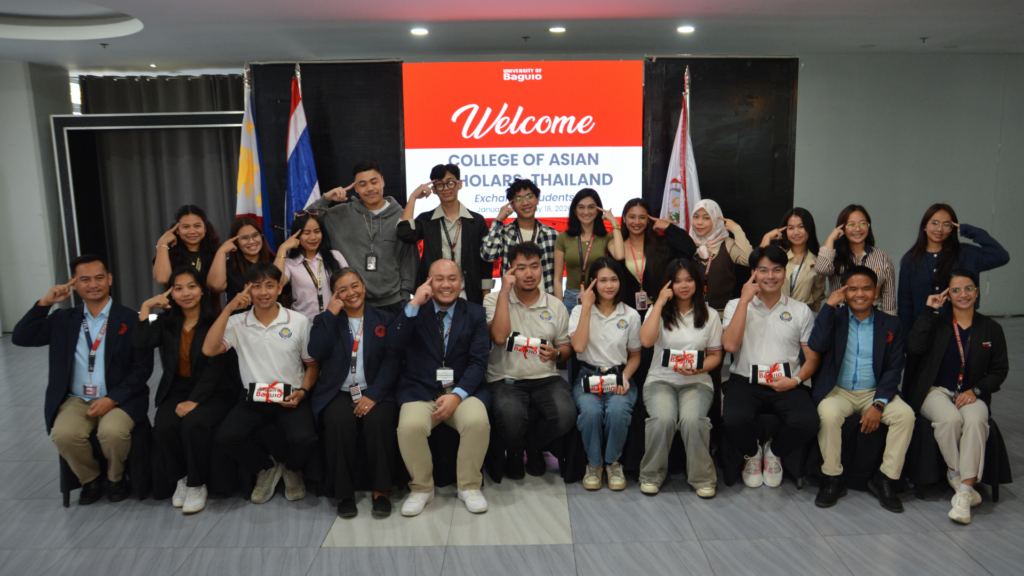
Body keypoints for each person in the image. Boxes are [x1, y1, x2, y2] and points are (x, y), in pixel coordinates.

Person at [12, 255, 153, 505]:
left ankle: (116, 478)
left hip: (118, 398)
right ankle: (90, 480)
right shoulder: (62, 320)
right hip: (76, 399)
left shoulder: (131, 319)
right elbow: (22, 337)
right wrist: (44, 303)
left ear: (109, 279)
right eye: (84, 279)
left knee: (112, 432)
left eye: (99, 278)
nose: (93, 284)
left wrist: (112, 399)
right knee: (64, 434)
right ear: (73, 284)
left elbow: (142, 369)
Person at [204, 263, 319, 504]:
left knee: (305, 439)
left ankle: (291, 468)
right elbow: (209, 349)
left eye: (269, 285)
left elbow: (312, 365)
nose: (263, 292)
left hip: (290, 396)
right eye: (256, 286)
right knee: (226, 437)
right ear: (247, 289)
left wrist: (302, 391)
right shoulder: (237, 322)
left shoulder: (297, 321)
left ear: (279, 288)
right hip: (253, 398)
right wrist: (228, 310)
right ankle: (265, 468)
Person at [388, 259, 492, 516]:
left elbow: (479, 362)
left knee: (477, 421)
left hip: (462, 390)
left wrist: (457, 396)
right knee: (410, 427)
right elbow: (394, 345)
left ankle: (469, 486)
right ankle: (422, 488)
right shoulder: (412, 310)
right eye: (439, 278)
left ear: (461, 282)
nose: (446, 285)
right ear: (428, 281)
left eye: (452, 278)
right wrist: (413, 305)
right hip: (420, 390)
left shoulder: (476, 313)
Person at [807, 266, 914, 512]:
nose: (860, 294)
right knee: (829, 415)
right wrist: (829, 307)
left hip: (873, 392)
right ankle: (832, 478)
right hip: (838, 390)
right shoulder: (834, 317)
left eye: (866, 288)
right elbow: (816, 344)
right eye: (852, 288)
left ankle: (885, 478)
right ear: (844, 291)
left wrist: (879, 403)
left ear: (876, 292)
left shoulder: (891, 324)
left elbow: (894, 368)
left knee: (905, 416)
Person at [134, 267, 238, 514]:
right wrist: (146, 307)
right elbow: (141, 342)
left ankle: (197, 484)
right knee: (165, 424)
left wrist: (194, 401)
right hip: (177, 388)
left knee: (193, 423)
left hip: (214, 391)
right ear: (171, 294)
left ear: (202, 290)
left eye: (191, 287)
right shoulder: (162, 321)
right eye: (178, 288)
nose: (185, 293)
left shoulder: (215, 321)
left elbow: (215, 369)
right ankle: (180, 478)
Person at [908, 270, 1008, 525]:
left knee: (976, 423)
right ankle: (958, 475)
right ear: (947, 295)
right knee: (951, 420)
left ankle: (964, 493)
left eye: (969, 289)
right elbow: (914, 348)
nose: (963, 294)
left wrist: (976, 391)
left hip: (972, 393)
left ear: (977, 291)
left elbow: (999, 370)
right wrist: (928, 312)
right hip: (936, 391)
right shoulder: (938, 323)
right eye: (956, 290)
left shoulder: (991, 328)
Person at [721, 245, 820, 489]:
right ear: (753, 273)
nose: (770, 276)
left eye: (776, 270)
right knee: (733, 419)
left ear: (784, 273)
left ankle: (774, 451)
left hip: (786, 382)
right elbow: (730, 346)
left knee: (808, 421)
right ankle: (753, 453)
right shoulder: (735, 305)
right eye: (763, 270)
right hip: (745, 381)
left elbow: (812, 357)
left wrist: (796, 381)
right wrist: (745, 300)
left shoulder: (800, 310)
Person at [308, 268, 401, 519]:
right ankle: (344, 493)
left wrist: (374, 396)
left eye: (354, 285)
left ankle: (381, 491)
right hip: (336, 392)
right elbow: (316, 351)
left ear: (364, 285)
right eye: (342, 289)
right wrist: (330, 313)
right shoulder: (325, 320)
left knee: (379, 421)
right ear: (335, 294)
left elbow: (392, 361)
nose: (351, 293)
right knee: (338, 423)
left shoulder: (385, 319)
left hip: (374, 390)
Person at [485, 242, 576, 479]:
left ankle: (533, 446)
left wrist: (556, 354)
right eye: (521, 267)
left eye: (534, 266)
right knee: (510, 414)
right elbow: (498, 337)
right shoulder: (493, 301)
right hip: (506, 378)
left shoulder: (555, 305)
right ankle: (515, 452)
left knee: (566, 414)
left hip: (546, 378)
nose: (529, 274)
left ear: (541, 268)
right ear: (510, 271)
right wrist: (505, 292)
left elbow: (566, 347)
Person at [637, 259, 723, 497]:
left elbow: (716, 355)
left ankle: (703, 478)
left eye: (689, 279)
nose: (683, 285)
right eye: (677, 281)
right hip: (660, 380)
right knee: (663, 418)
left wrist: (698, 369)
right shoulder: (660, 310)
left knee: (693, 420)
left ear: (697, 282)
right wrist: (660, 303)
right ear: (669, 284)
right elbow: (645, 341)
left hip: (697, 382)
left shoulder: (710, 314)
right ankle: (651, 475)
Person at [568, 257, 640, 491]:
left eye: (614, 279)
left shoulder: (630, 315)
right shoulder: (579, 310)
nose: (609, 285)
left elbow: (635, 356)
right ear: (592, 283)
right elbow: (578, 347)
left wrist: (625, 378)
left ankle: (613, 463)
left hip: (619, 375)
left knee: (618, 411)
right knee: (590, 413)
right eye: (603, 280)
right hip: (587, 377)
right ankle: (594, 464)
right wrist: (587, 306)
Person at [312, 161, 418, 315]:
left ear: (382, 181)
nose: (369, 188)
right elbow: (302, 224)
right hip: (351, 303)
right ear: (355, 187)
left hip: (393, 303)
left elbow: (409, 259)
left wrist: (405, 297)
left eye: (374, 182)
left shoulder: (401, 217)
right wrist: (326, 199)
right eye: (362, 184)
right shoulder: (340, 215)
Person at [897, 203, 1009, 337]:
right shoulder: (911, 260)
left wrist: (970, 231)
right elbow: (905, 305)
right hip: (923, 331)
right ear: (925, 227)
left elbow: (1000, 256)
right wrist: (905, 341)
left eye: (946, 225)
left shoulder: (965, 254)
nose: (940, 229)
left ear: (953, 228)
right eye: (934, 223)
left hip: (959, 331)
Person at [397, 163, 493, 305]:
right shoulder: (427, 220)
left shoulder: (476, 221)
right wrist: (413, 197)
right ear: (434, 190)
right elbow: (405, 234)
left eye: (450, 183)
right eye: (440, 185)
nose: (445, 188)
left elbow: (485, 263)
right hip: (433, 295)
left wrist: (486, 299)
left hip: (468, 294)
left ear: (459, 184)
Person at [481, 179, 559, 294]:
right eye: (518, 199)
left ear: (537, 200)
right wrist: (498, 220)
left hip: (546, 303)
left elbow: (557, 275)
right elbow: (488, 255)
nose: (525, 203)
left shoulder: (551, 234)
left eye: (529, 196)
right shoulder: (504, 233)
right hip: (513, 303)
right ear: (511, 204)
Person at [816, 204, 896, 315]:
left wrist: (889, 326)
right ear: (842, 228)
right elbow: (821, 269)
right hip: (839, 317)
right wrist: (830, 239)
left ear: (869, 226)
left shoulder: (882, 257)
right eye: (851, 225)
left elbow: (889, 298)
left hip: (872, 318)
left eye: (862, 223)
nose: (857, 229)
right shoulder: (834, 255)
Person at [553, 188, 624, 312]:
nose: (586, 212)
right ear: (574, 210)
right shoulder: (563, 237)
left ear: (598, 210)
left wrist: (613, 222)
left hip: (598, 297)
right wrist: (559, 308)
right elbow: (558, 279)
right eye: (581, 207)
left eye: (591, 207)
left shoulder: (606, 237)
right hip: (571, 298)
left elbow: (619, 255)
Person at [273, 212, 347, 320]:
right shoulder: (290, 264)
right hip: (304, 324)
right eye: (306, 233)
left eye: (317, 231)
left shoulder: (335, 256)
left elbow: (348, 287)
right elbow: (276, 283)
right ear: (297, 236)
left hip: (336, 321)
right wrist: (283, 248)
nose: (313, 237)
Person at [689, 199, 754, 315]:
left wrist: (736, 229)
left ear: (716, 219)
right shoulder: (687, 243)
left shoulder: (726, 243)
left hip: (722, 315)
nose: (699, 222)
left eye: (706, 218)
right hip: (692, 314)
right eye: (696, 217)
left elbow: (749, 260)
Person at [763, 208, 827, 312]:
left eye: (801, 227)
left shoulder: (817, 259)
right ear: (785, 230)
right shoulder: (777, 254)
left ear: (809, 228)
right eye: (791, 228)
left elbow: (818, 293)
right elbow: (759, 269)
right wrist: (766, 237)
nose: (796, 233)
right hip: (773, 311)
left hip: (802, 315)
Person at [207, 216, 277, 305]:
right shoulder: (229, 266)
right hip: (239, 318)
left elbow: (285, 295)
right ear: (235, 242)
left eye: (255, 235)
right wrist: (221, 251)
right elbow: (215, 287)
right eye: (244, 238)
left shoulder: (275, 262)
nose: (251, 241)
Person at [154, 205, 221, 285]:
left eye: (197, 226)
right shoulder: (167, 255)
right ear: (177, 230)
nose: (192, 231)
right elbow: (163, 279)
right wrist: (162, 243)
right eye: (186, 227)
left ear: (205, 228)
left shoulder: (216, 253)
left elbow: (217, 286)